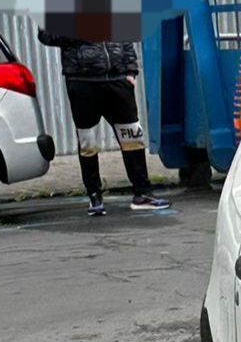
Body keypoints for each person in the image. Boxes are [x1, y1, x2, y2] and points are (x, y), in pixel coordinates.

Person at [36, 32, 170, 214]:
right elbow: (46, 35)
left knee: (132, 136)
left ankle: (142, 193)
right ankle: (94, 196)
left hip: (118, 80)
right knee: (88, 142)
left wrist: (130, 70)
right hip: (83, 82)